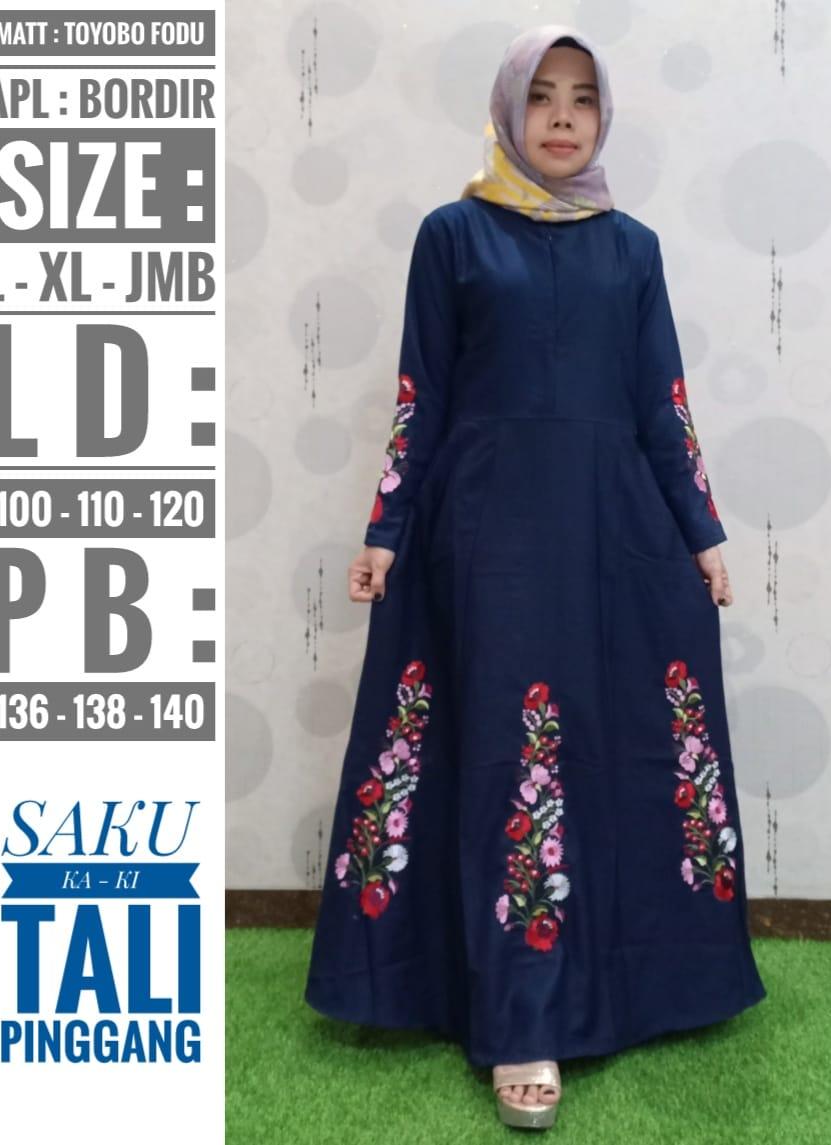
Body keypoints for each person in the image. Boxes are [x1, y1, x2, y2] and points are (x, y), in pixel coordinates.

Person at [303, 24, 767, 1132]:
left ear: (604, 117)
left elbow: (662, 403)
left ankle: (635, 984)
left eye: (583, 98)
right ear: (509, 109)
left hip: (613, 531)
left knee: (618, 745)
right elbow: (421, 394)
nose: (563, 116)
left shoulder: (632, 249)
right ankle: (520, 1018)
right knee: (507, 753)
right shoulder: (453, 235)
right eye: (543, 96)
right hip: (487, 535)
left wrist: (703, 535)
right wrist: (385, 529)